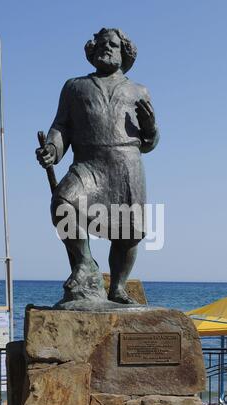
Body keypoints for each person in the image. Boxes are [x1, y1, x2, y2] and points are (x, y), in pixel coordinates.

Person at [36, 28, 159, 305]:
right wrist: (53, 150)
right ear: (91, 51)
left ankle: (117, 287)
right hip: (88, 164)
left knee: (128, 234)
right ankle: (85, 266)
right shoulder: (74, 87)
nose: (106, 48)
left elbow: (149, 144)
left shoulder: (138, 90)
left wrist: (151, 128)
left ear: (124, 52)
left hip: (127, 167)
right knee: (62, 202)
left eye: (113, 45)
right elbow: (61, 126)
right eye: (101, 44)